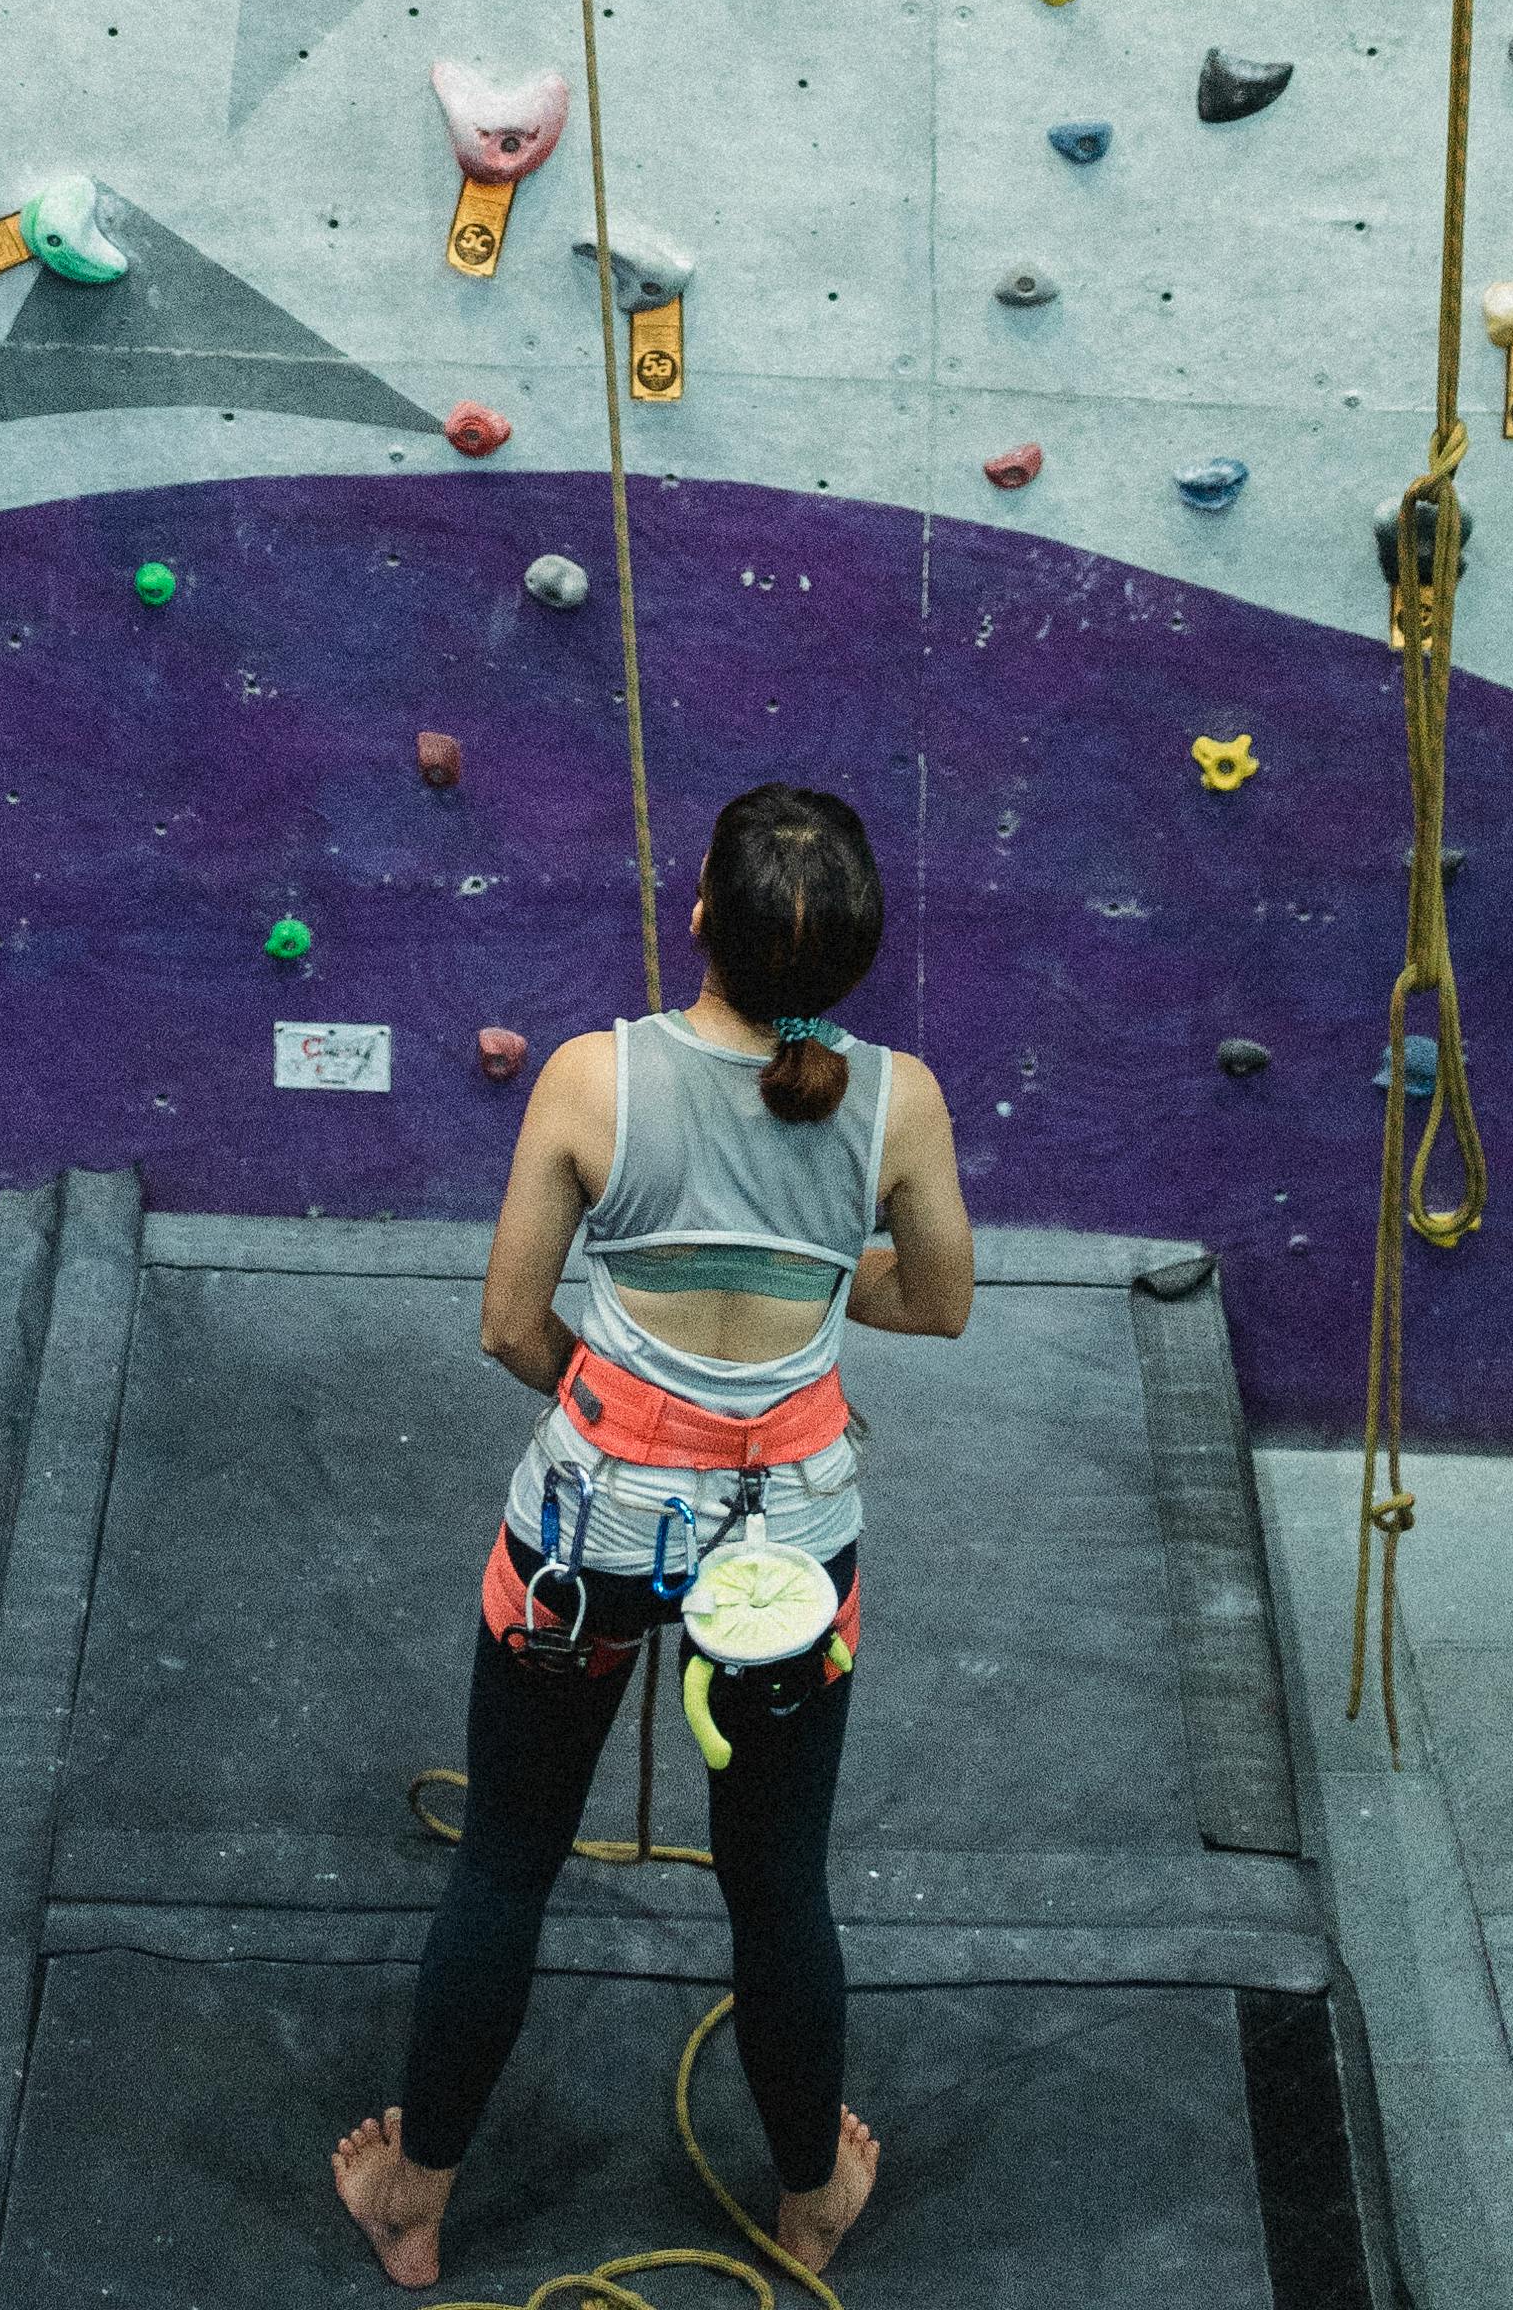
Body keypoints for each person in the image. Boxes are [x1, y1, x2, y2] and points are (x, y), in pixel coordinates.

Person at [331, 784, 975, 2290]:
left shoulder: (590, 1082)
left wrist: (639, 1411)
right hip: (790, 1549)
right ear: (852, 963)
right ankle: (811, 2197)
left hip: (589, 1527)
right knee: (777, 1889)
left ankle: (414, 2200)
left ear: (698, 917)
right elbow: (937, 1299)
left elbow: (509, 1328)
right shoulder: (902, 1103)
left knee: (505, 1867)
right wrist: (814, 1299)